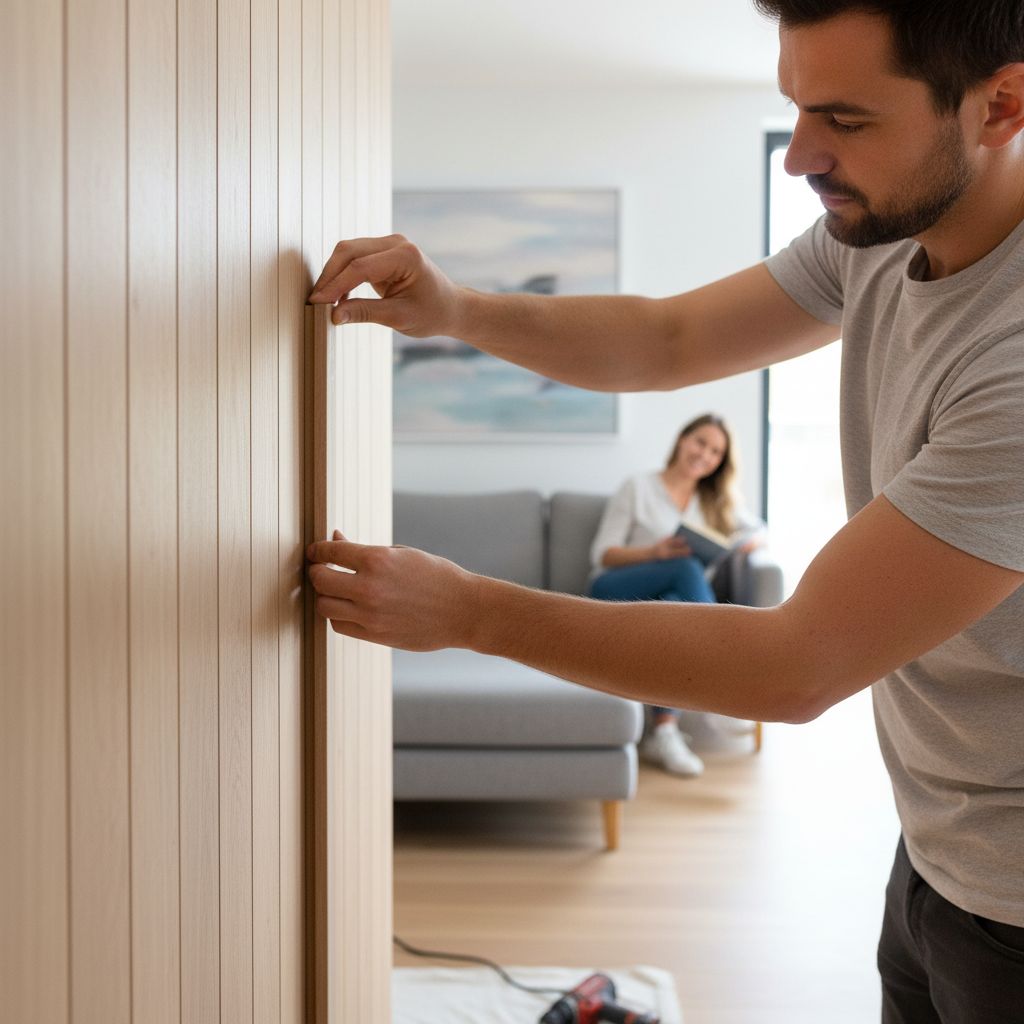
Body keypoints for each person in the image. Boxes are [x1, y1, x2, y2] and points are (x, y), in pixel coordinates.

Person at [306, 3, 1024, 1020]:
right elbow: (669, 339)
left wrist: (472, 613)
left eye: (846, 120)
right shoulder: (876, 232)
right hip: (938, 842)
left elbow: (797, 664)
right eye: (795, 109)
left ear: (1000, 103)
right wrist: (453, 309)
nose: (801, 156)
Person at [589, 414, 764, 777]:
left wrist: (744, 545)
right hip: (614, 588)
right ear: (683, 439)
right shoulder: (638, 486)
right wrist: (655, 553)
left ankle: (664, 733)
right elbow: (602, 553)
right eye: (700, 442)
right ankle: (722, 689)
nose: (705, 455)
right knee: (685, 570)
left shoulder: (714, 501)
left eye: (716, 451)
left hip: (666, 600)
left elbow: (761, 529)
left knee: (674, 605)